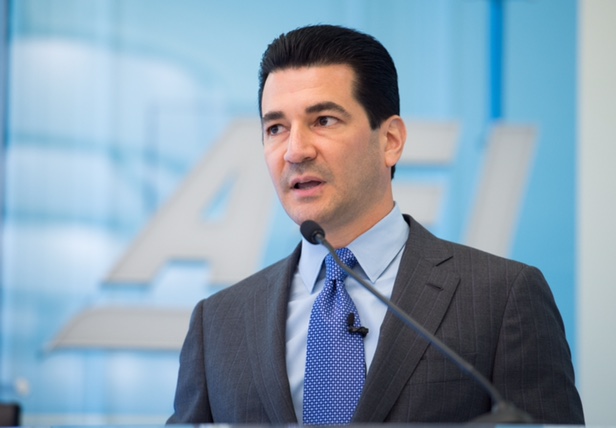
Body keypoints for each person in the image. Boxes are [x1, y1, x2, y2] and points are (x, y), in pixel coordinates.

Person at [167, 24, 584, 424]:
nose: (295, 151)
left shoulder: (502, 297)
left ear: (391, 141)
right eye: (276, 128)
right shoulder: (217, 323)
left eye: (323, 120)